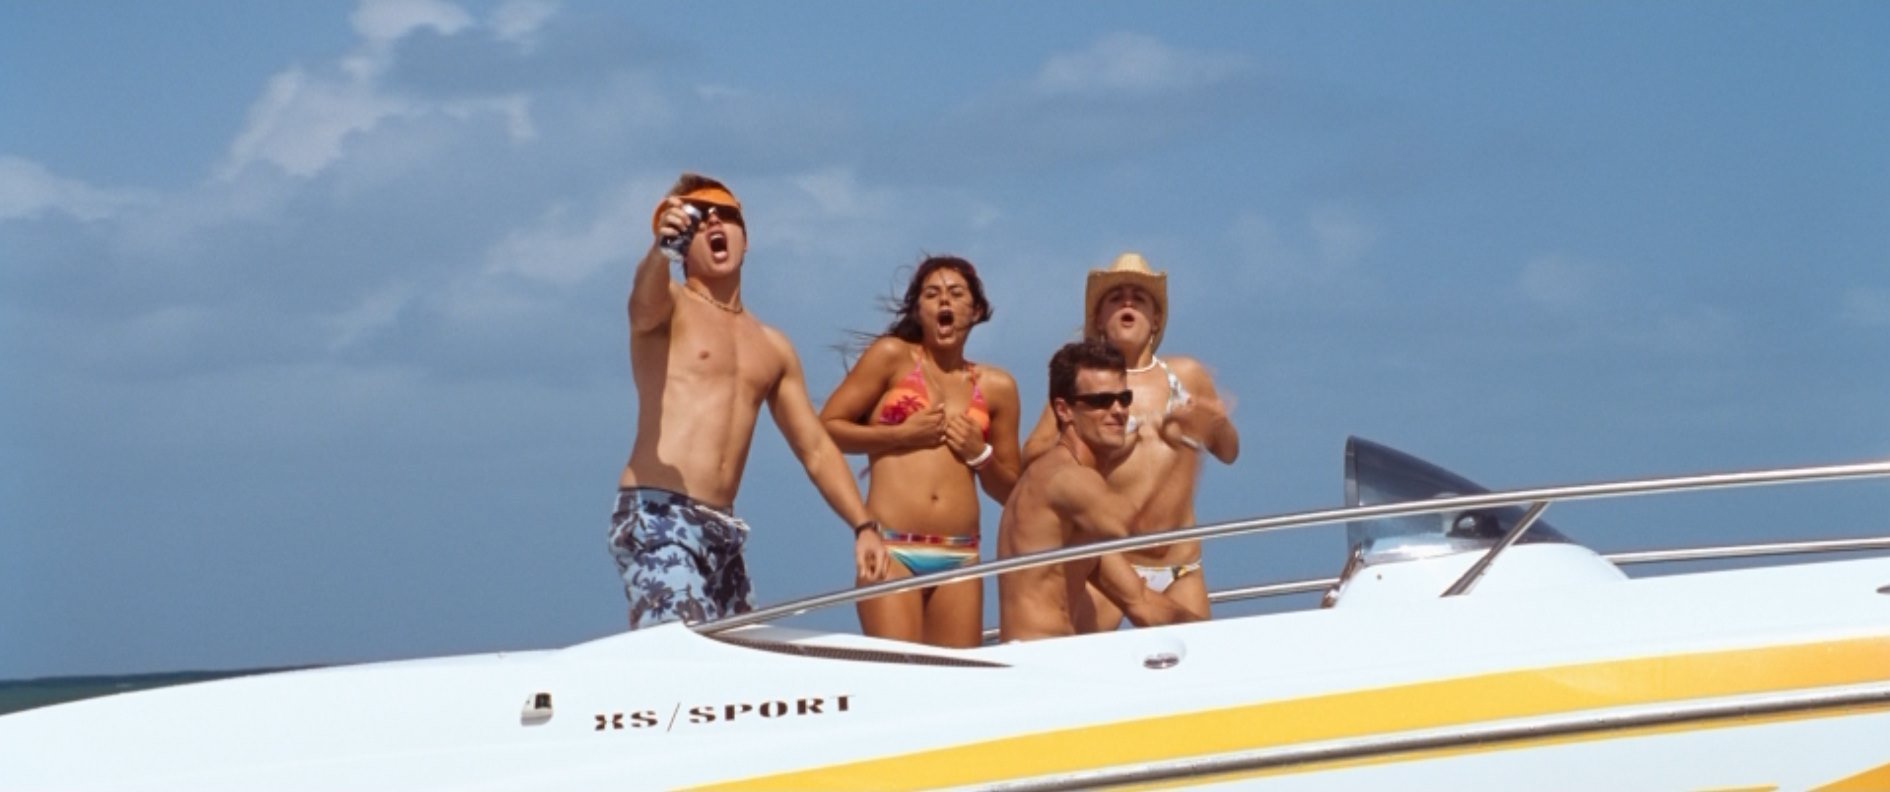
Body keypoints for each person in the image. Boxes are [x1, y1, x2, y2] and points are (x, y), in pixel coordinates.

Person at [610, 172, 887, 629]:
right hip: (659, 514)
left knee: (740, 654)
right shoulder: (669, 306)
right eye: (698, 219)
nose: (712, 222)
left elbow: (815, 449)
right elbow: (641, 305)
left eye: (725, 215)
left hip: (723, 528)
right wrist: (660, 251)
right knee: (682, 648)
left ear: (745, 238)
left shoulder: (772, 346)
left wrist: (864, 525)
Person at [1021, 252, 1238, 629]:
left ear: (1155, 319)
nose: (1127, 303)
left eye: (1139, 298)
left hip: (1181, 567)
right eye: (1115, 298)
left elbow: (1229, 451)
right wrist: (1109, 446)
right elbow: (1033, 456)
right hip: (1112, 562)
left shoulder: (1187, 374)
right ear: (1099, 319)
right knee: (1090, 658)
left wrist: (1213, 425)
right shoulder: (1085, 385)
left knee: (1198, 657)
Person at [819, 256, 1022, 648]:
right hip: (891, 547)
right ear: (918, 311)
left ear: (976, 311)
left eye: (956, 293)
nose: (944, 300)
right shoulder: (892, 357)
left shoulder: (998, 387)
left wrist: (980, 455)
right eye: (932, 294)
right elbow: (827, 429)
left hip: (960, 554)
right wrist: (901, 435)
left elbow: (1013, 492)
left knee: (956, 677)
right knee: (900, 672)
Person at [997, 340, 1200, 642]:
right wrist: (1188, 444)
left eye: (1124, 398)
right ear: (1064, 411)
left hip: (1050, 656)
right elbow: (1151, 536)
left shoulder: (1077, 519)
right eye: (1102, 401)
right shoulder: (1067, 478)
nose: (1118, 410)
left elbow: (1141, 603)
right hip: (1039, 658)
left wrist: (1221, 639)